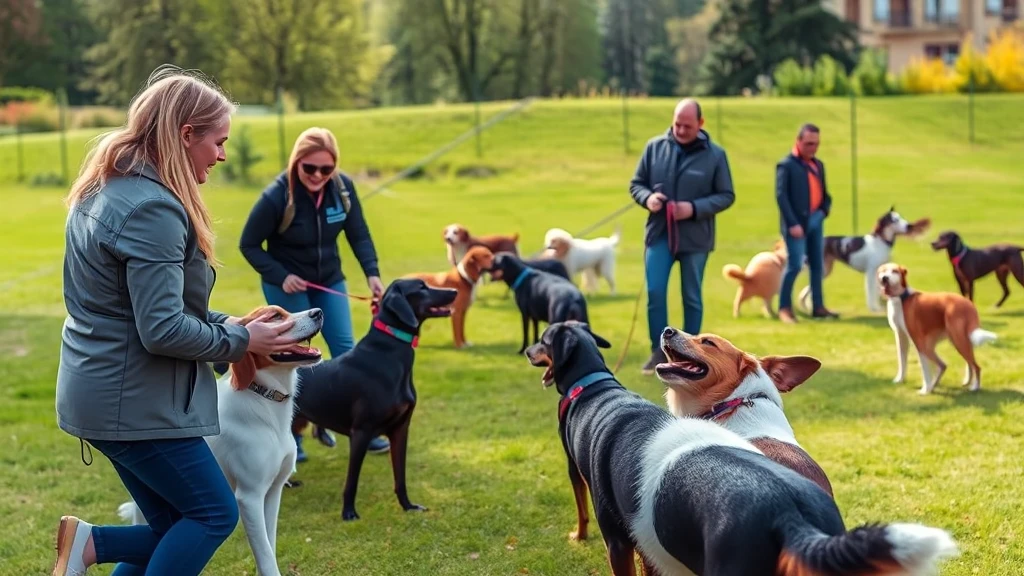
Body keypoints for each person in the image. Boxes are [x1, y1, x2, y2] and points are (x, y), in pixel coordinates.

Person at [52, 65, 302, 576]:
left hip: (103, 392)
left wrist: (227, 322)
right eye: (217, 141)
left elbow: (137, 307)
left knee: (173, 524)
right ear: (186, 135)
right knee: (212, 515)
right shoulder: (152, 208)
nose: (222, 155)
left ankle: (88, 546)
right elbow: (161, 328)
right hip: (134, 402)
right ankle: (90, 545)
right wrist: (241, 339)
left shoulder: (106, 185)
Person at [238, 127, 390, 460]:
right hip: (287, 286)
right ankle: (295, 437)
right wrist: (282, 275)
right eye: (310, 168)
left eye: (326, 169)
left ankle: (358, 427)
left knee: (346, 353)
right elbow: (248, 244)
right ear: (296, 164)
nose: (318, 175)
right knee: (297, 358)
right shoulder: (277, 196)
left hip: (329, 281)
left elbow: (359, 235)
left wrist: (372, 274)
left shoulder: (342, 190)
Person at [629, 98, 736, 375]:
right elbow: (636, 184)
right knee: (655, 292)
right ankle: (658, 352)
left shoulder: (715, 155)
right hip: (660, 234)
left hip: (696, 238)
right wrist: (648, 198)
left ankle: (692, 355)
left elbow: (726, 195)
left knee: (691, 296)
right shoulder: (654, 147)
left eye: (687, 125)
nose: (680, 129)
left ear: (701, 124)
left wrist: (693, 208)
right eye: (677, 123)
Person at [776, 123, 839, 323]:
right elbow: (781, 196)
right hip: (796, 225)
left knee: (817, 266)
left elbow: (825, 194)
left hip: (816, 220)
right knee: (794, 265)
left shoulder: (818, 165)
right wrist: (792, 224)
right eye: (809, 144)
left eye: (816, 144)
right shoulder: (786, 165)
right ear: (798, 141)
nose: (813, 148)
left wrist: (824, 210)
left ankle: (818, 307)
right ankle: (784, 308)